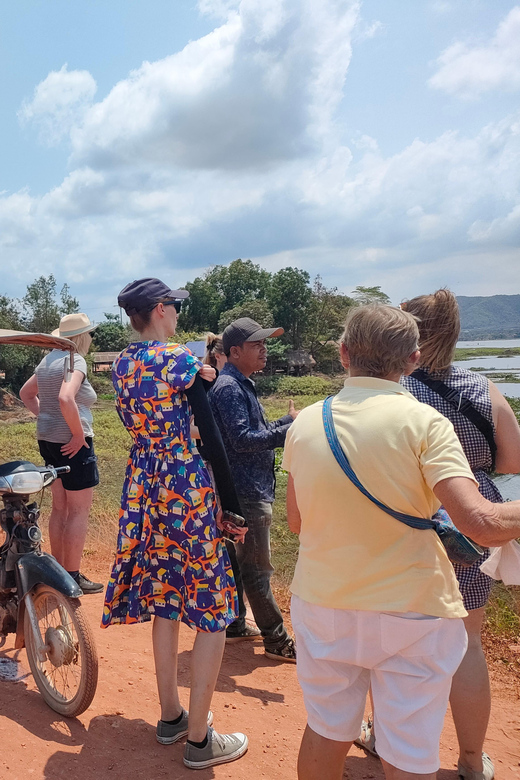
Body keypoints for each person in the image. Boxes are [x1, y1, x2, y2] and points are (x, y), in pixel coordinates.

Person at [282, 303, 520, 780]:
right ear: (412, 359)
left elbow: (297, 522)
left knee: (327, 730)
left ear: (344, 353)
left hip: (324, 603)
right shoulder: (426, 424)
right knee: (409, 750)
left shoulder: (305, 422)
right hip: (413, 610)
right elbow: (481, 523)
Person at [101, 278, 248, 770]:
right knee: (215, 605)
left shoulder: (121, 363)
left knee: (166, 593)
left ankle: (170, 715)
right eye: (177, 308)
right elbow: (207, 419)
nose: (180, 316)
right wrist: (230, 507)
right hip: (184, 482)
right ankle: (201, 739)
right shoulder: (176, 360)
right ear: (161, 310)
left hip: (144, 483)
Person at [399, 289, 520, 780]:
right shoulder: (483, 389)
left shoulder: (397, 393)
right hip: (471, 525)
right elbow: (511, 460)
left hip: (411, 517)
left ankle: (391, 739)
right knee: (468, 640)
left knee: (401, 639)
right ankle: (472, 760)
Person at [209, 317, 298, 661]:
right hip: (247, 490)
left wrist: (284, 424)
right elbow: (243, 440)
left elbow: (252, 429)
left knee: (238, 563)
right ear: (234, 352)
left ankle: (234, 625)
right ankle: (276, 640)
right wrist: (288, 432)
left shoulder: (238, 383)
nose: (264, 349)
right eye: (256, 344)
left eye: (265, 343)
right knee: (257, 569)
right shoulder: (231, 387)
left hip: (241, 487)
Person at [20, 312, 103, 594]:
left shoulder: (47, 361)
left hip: (49, 441)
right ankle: (73, 575)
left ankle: (57, 571)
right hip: (72, 443)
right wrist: (79, 434)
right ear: (82, 337)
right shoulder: (74, 359)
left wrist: (47, 418)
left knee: (59, 507)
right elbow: (66, 398)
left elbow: (25, 393)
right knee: (79, 510)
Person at [202, 331, 261, 644]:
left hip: (221, 473)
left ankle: (236, 618)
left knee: (232, 554)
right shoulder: (223, 385)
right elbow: (236, 439)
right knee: (239, 554)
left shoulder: (220, 382)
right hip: (229, 476)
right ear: (228, 354)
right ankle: (248, 624)